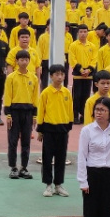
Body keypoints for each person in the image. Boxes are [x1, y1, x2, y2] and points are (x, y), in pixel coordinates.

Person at [38, 64, 74, 197]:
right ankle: (48, 185)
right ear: (51, 76)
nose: (60, 77)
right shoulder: (46, 92)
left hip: (62, 129)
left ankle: (58, 184)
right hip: (48, 129)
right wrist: (40, 130)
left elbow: (70, 109)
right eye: (57, 75)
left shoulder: (66, 92)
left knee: (61, 157)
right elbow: (41, 110)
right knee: (47, 158)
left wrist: (69, 125)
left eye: (62, 74)